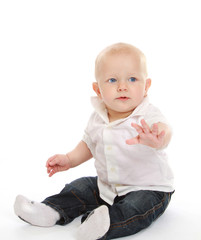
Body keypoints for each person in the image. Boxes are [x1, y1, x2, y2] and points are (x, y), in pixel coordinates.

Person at [14, 43, 174, 240]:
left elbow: (164, 129)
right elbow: (89, 144)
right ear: (98, 89)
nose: (122, 86)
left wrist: (158, 138)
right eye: (112, 80)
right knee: (80, 187)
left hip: (148, 188)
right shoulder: (98, 117)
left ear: (146, 86)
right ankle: (50, 210)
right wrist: (69, 159)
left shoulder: (146, 114)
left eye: (132, 79)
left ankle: (104, 224)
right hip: (106, 187)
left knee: (137, 207)